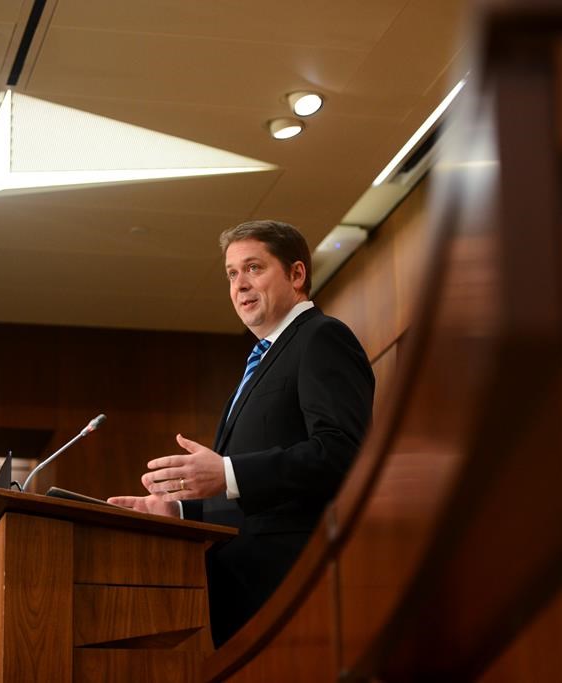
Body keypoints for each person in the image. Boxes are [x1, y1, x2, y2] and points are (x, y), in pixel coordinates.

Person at [108, 220, 374, 647]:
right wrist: (180, 514)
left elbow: (342, 453)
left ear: (297, 274)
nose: (240, 285)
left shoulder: (322, 338)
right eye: (232, 274)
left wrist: (228, 472)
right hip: (245, 587)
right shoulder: (262, 359)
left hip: (292, 585)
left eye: (253, 268)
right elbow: (260, 499)